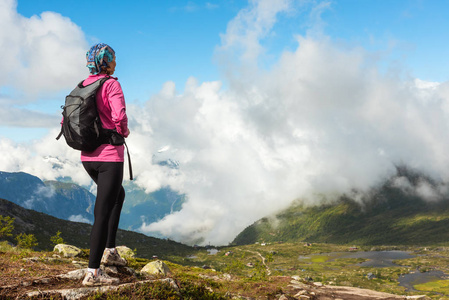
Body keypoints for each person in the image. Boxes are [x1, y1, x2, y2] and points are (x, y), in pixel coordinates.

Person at [80, 43, 130, 286]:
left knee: (117, 194)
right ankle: (92, 273)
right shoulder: (111, 84)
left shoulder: (83, 86)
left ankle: (110, 250)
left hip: (87, 158)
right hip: (109, 157)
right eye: (113, 59)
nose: (116, 63)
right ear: (106, 62)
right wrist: (124, 131)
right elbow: (119, 116)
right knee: (101, 212)